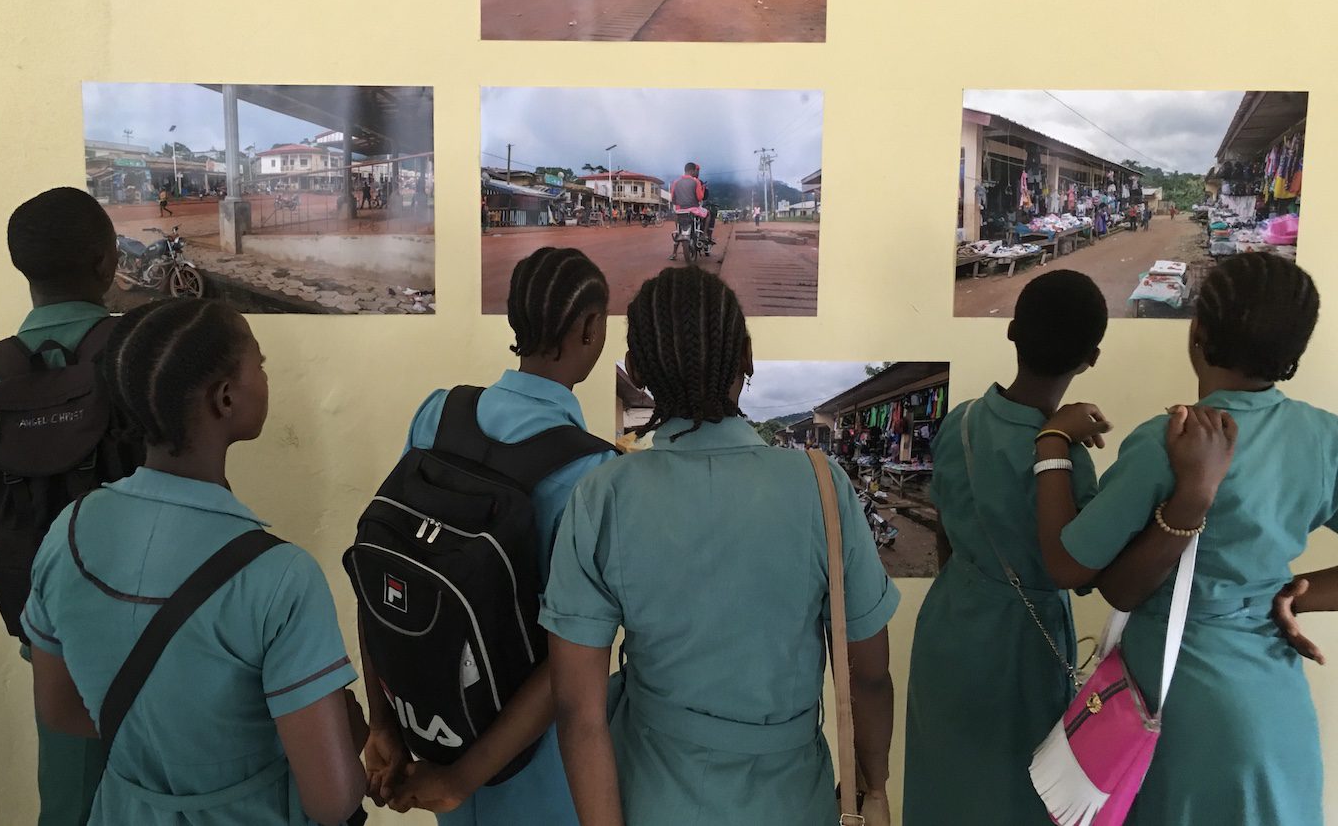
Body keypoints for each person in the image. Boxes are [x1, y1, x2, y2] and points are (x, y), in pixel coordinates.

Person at [542, 267, 899, 826]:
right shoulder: (821, 485)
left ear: (635, 369)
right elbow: (870, 677)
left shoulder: (603, 496)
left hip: (652, 798)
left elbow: (578, 712)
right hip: (792, 803)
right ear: (748, 357)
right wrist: (871, 787)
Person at [22, 298, 369, 825]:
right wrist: (348, 738)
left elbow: (62, 710)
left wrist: (166, 746)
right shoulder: (280, 577)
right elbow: (332, 801)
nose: (266, 375)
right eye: (260, 363)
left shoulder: (68, 532)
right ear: (225, 397)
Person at [1034, 253, 1335, 825]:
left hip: (1175, 701)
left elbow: (1070, 567)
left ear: (1196, 334)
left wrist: (1052, 445)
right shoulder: (1324, 439)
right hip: (1276, 701)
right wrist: (1295, 593)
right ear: (1294, 351)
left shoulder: (1167, 441)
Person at [363, 247, 615, 824]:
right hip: (529, 766)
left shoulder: (438, 412)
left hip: (436, 729)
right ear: (590, 328)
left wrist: (386, 722)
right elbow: (570, 659)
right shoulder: (591, 471)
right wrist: (461, 779)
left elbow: (385, 565)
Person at [0, 188, 138, 826]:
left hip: (46, 631)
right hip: (160, 619)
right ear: (107, 263)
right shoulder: (144, 360)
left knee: (70, 790)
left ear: (21, 268)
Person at [902, 270, 1109, 825]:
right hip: (1023, 644)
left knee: (943, 782)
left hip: (949, 622)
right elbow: (1084, 570)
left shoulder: (961, 421)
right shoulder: (1066, 459)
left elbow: (945, 528)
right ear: (1090, 357)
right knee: (1017, 795)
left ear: (1012, 331)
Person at [668, 162, 708, 261]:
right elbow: (700, 197)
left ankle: (674, 253)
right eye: (695, 171)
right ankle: (704, 235)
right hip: (693, 209)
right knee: (708, 215)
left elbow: (673, 199)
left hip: (679, 211)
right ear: (692, 170)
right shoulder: (696, 181)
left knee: (678, 229)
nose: (696, 172)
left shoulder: (675, 182)